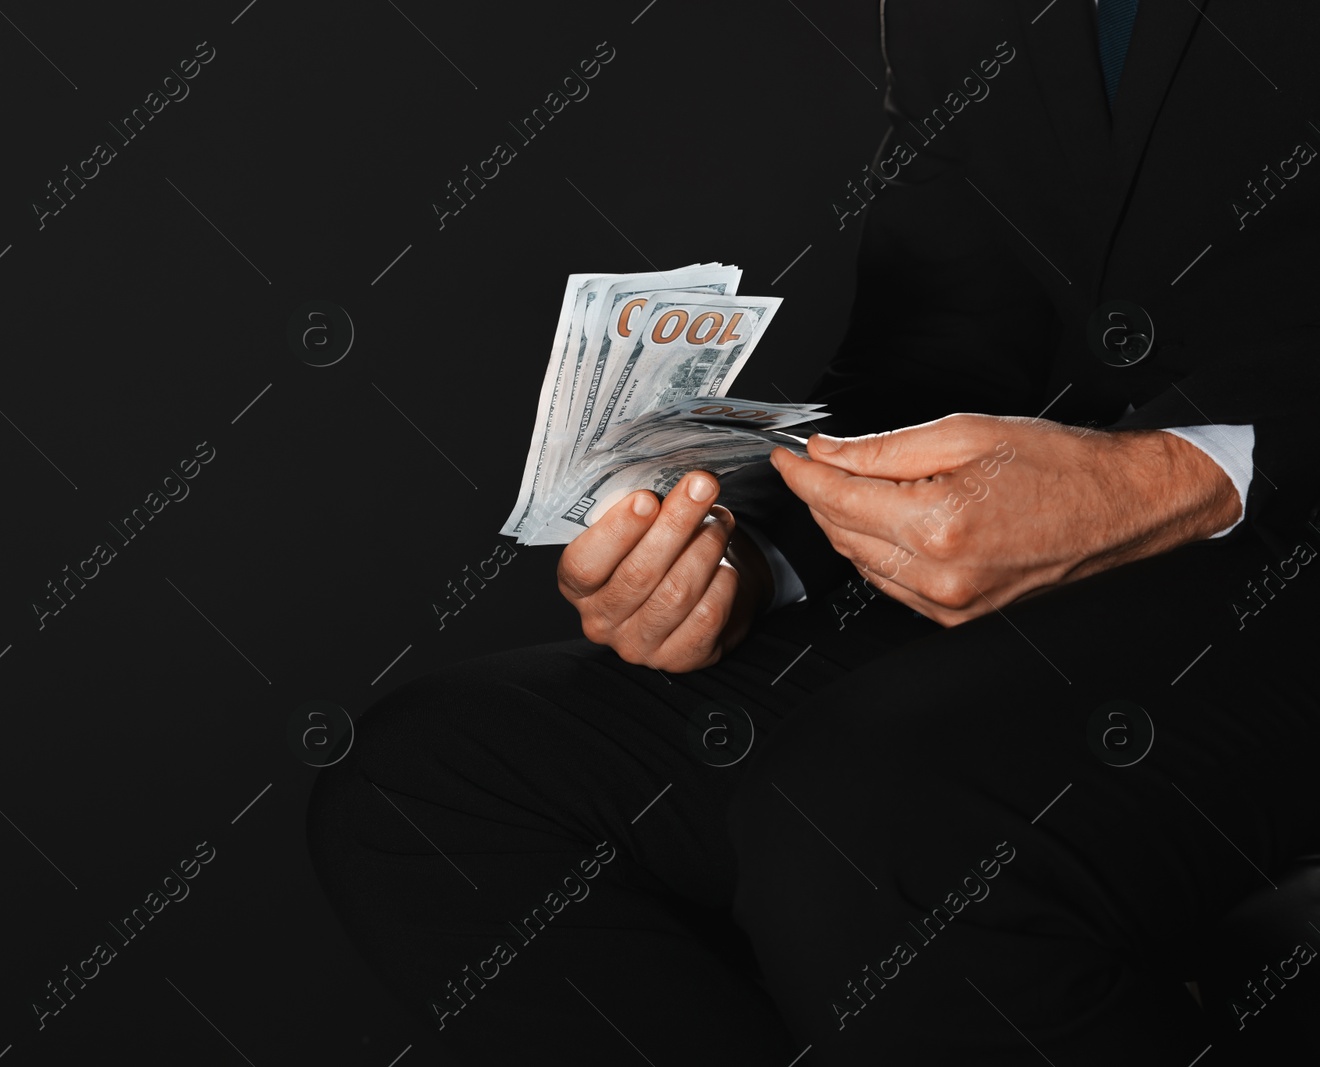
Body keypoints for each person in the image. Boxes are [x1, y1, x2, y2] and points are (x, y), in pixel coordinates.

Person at [308, 1, 1320, 1062]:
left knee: (876, 819)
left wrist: (1178, 476)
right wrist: (744, 558)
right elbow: (941, 353)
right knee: (432, 788)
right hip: (1058, 594)